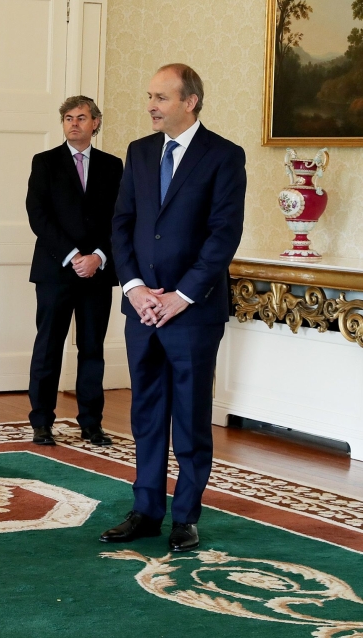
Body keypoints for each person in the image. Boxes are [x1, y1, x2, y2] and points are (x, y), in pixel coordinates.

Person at [100, 64, 246, 552]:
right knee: (146, 413)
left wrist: (181, 297)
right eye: (150, 97)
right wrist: (136, 288)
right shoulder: (140, 153)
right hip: (141, 308)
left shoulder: (225, 156)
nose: (151, 106)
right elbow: (121, 225)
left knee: (189, 414)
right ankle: (145, 509)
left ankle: (185, 515)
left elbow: (223, 235)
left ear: (191, 101)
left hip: (193, 312)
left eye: (161, 97)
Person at [25, 96, 123, 447]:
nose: (74, 124)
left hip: (96, 274)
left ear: (96, 122)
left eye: (82, 118)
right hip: (56, 271)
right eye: (68, 118)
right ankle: (41, 422)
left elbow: (120, 219)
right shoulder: (45, 163)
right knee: (48, 347)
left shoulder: (113, 166)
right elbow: (38, 215)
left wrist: (97, 256)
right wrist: (72, 255)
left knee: (92, 349)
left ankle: (91, 424)